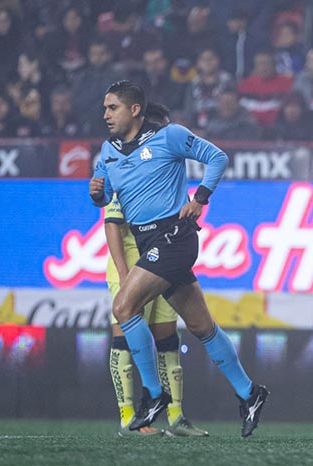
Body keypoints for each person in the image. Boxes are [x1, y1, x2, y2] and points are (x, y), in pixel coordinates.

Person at [89, 80, 268, 437]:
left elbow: (217, 157)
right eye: (105, 108)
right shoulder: (106, 153)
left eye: (113, 107)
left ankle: (153, 395)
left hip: (173, 236)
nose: (105, 114)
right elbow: (105, 198)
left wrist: (200, 198)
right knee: (202, 326)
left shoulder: (168, 137)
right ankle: (250, 393)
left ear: (134, 109)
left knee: (124, 308)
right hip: (148, 241)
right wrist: (96, 193)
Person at [105, 102, 208, 438]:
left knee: (167, 337)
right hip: (132, 262)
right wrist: (123, 273)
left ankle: (176, 419)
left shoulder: (166, 168)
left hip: (163, 259)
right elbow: (112, 224)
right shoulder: (125, 162)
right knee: (124, 336)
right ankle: (130, 419)